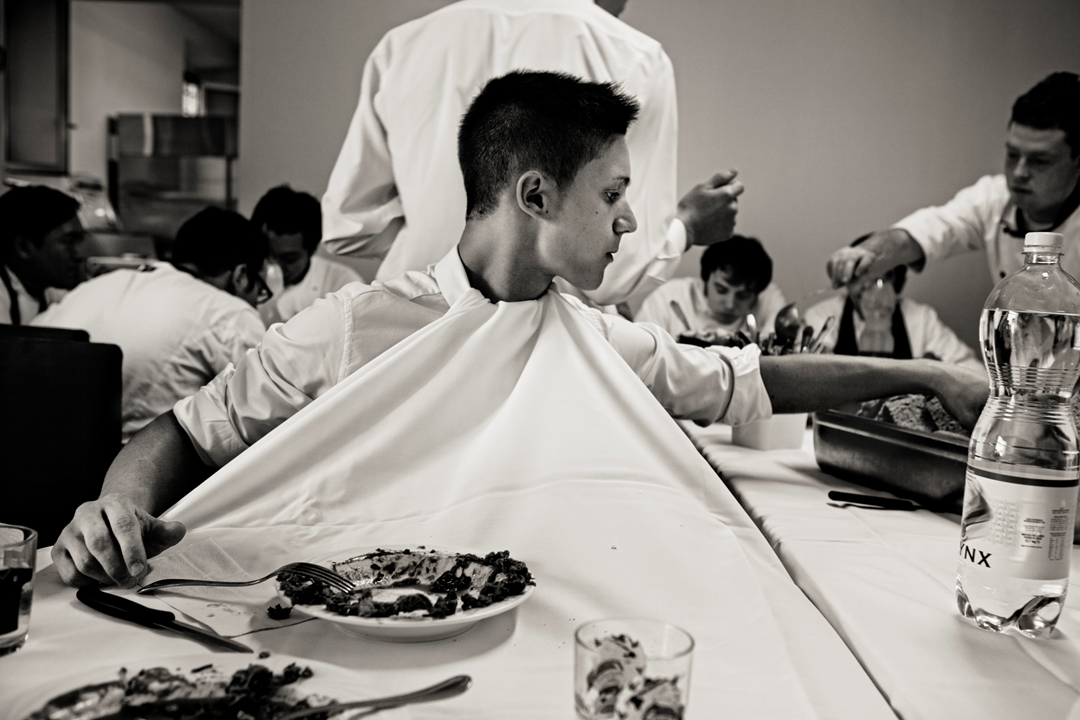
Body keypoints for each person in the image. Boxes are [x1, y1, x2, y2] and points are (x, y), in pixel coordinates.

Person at [52, 71, 987, 589]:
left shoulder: (588, 333)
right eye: (614, 196)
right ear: (535, 195)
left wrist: (936, 383)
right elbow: (180, 431)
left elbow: (753, 381)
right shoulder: (349, 327)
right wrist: (115, 508)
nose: (629, 223)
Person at [321, 0, 743, 309]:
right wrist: (686, 227)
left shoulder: (403, 46)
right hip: (542, 349)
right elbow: (618, 275)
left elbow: (349, 226)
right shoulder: (637, 58)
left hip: (406, 327)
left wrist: (438, 240)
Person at [32, 207, 269, 442]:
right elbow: (266, 413)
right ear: (241, 275)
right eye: (261, 289)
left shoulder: (93, 288)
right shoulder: (227, 312)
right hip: (129, 468)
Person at [827, 71, 1080, 291]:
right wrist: (867, 252)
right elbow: (928, 230)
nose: (1018, 173)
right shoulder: (994, 198)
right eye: (1013, 155)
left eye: (1040, 161)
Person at [806, 236, 980, 368]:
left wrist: (934, 370)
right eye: (863, 274)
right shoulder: (822, 315)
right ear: (848, 280)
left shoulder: (921, 318)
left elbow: (970, 368)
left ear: (898, 283)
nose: (871, 287)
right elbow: (808, 371)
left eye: (884, 276)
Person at [635, 235, 786, 344]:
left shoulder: (767, 298)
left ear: (757, 295)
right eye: (721, 289)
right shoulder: (669, 297)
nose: (729, 304)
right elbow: (640, 353)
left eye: (743, 296)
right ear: (706, 279)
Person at [251, 185, 363, 325]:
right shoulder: (246, 279)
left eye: (289, 259)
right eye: (269, 256)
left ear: (312, 250)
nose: (276, 267)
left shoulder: (342, 284)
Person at [0, 185, 87, 325]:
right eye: (69, 241)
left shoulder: (49, 291)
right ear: (23, 247)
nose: (80, 254)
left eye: (80, 241)